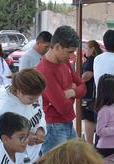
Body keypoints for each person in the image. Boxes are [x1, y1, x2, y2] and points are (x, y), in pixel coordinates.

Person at [36, 25, 86, 153]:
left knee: (74, 163)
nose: (72, 56)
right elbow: (63, 108)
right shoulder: (44, 70)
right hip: (54, 127)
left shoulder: (64, 62)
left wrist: (71, 92)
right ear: (57, 46)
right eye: (69, 52)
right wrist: (74, 90)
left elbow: (83, 87)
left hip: (67, 122)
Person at [0, 69, 46, 162]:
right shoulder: (3, 108)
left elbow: (40, 112)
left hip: (31, 157)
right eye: (31, 98)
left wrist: (40, 129)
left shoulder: (33, 93)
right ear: (19, 91)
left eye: (38, 97)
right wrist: (23, 139)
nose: (35, 101)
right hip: (16, 163)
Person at [81, 40, 102, 144]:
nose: (85, 50)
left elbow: (87, 75)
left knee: (88, 119)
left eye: (87, 48)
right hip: (93, 94)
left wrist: (78, 81)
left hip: (89, 95)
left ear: (92, 49)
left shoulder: (92, 60)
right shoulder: (97, 59)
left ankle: (89, 144)